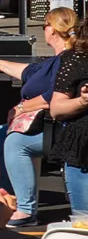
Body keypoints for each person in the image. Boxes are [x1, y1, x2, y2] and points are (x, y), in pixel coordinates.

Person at [0, 7, 75, 228]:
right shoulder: (54, 61)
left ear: (52, 30)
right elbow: (30, 72)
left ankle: (26, 209)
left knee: (16, 144)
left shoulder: (69, 61)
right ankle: (10, 199)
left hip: (59, 127)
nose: (43, 29)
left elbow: (54, 96)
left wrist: (23, 108)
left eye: (44, 25)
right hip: (46, 124)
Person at [46, 22, 88, 219]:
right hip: (83, 153)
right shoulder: (77, 58)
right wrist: (82, 101)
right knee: (84, 227)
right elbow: (56, 109)